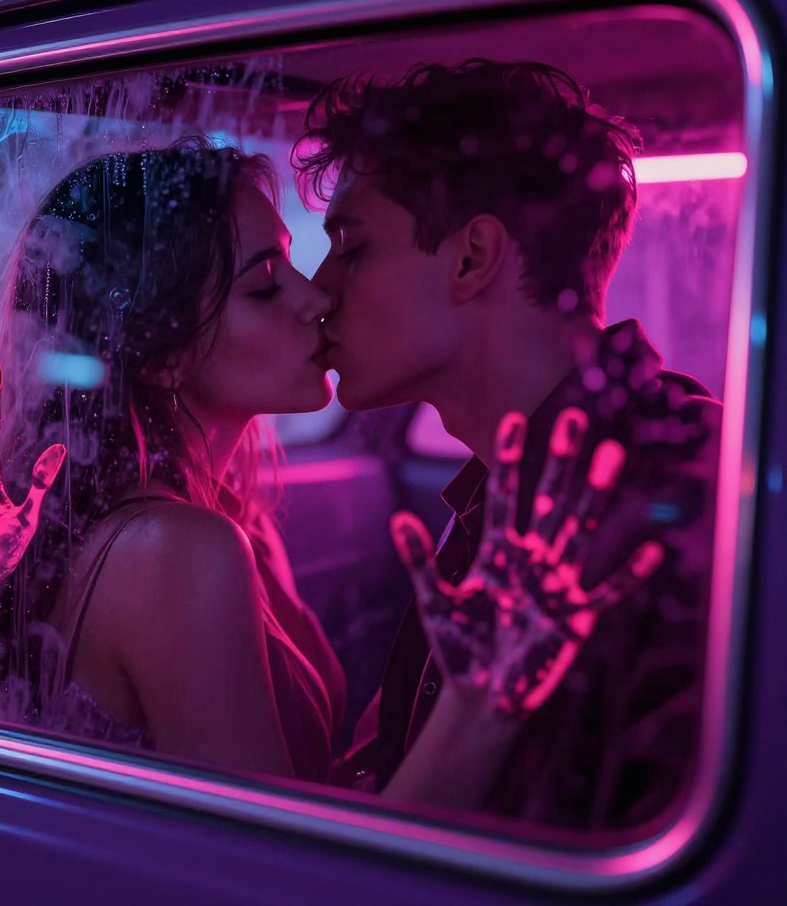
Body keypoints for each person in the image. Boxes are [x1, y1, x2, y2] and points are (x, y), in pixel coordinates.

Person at [0, 131, 667, 809]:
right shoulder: (179, 550)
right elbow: (281, 880)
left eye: (299, 263)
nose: (316, 297)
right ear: (163, 353)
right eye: (264, 286)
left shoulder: (231, 519)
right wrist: (483, 705)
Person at [293, 59, 719, 830]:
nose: (317, 292)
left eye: (351, 248)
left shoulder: (686, 503)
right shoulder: (522, 474)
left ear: (472, 258)